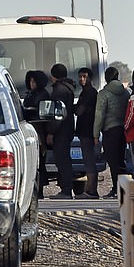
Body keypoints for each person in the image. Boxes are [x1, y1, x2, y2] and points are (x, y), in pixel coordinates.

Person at [94, 66, 130, 198]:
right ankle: (123, 189)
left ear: (106, 78)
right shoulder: (126, 93)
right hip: (123, 131)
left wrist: (95, 134)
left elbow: (99, 115)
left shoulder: (104, 94)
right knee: (121, 161)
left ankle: (116, 189)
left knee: (113, 161)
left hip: (110, 131)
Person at [46, 63, 76, 199]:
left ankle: (66, 190)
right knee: (65, 160)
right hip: (68, 128)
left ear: (54, 76)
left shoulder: (59, 91)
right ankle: (66, 189)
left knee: (62, 161)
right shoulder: (68, 88)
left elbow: (57, 115)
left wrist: (51, 132)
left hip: (60, 131)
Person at [23, 70, 51, 198]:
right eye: (30, 81)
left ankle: (39, 190)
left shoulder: (42, 95)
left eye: (34, 81)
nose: (31, 83)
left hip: (38, 131)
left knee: (39, 163)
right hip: (29, 130)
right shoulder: (31, 94)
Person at [74, 67, 99, 199]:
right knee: (87, 160)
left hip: (88, 131)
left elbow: (79, 111)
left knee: (89, 161)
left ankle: (91, 190)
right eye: (80, 76)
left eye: (84, 76)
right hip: (85, 131)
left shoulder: (90, 93)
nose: (82, 79)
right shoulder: (86, 92)